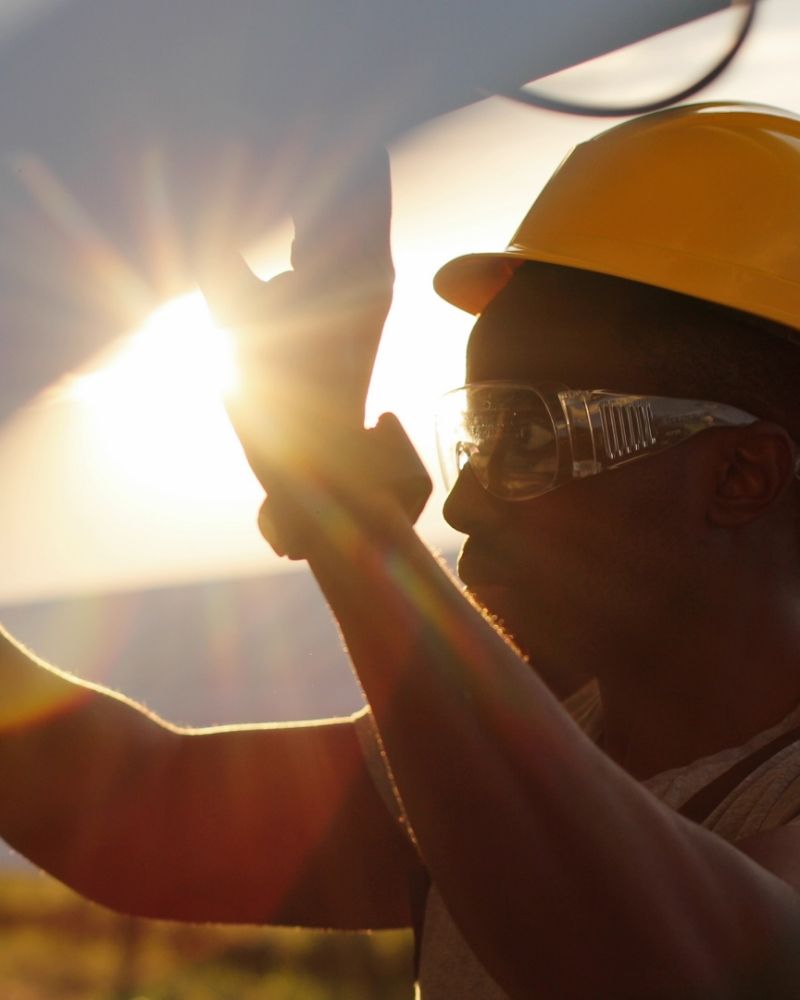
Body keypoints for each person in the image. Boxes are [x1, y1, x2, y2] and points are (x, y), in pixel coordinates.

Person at [4, 100, 800, 999]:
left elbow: (658, 968)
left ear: (740, 474)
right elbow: (139, 816)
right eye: (473, 437)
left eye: (526, 440)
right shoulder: (549, 725)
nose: (460, 503)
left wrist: (346, 506)